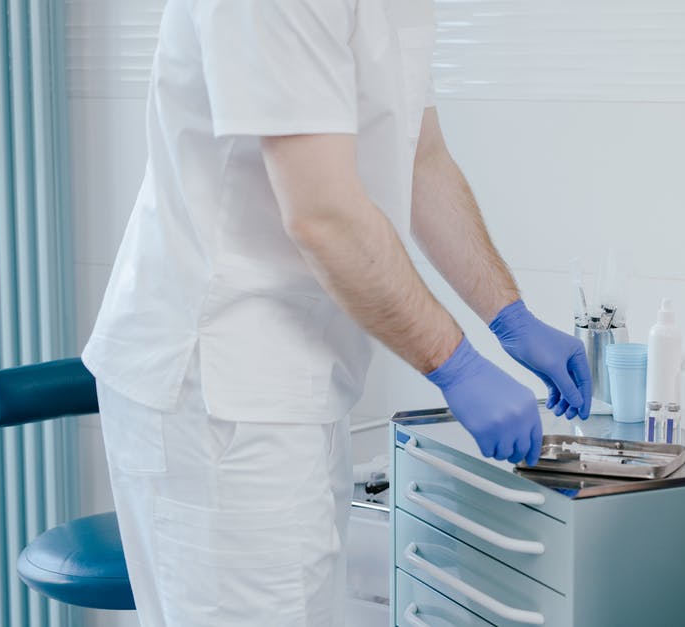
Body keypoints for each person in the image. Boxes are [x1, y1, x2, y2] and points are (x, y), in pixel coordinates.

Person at [81, 1, 591, 624]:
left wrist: (509, 316)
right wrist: (457, 366)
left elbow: (421, 158)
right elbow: (323, 215)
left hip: (295, 380)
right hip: (220, 381)